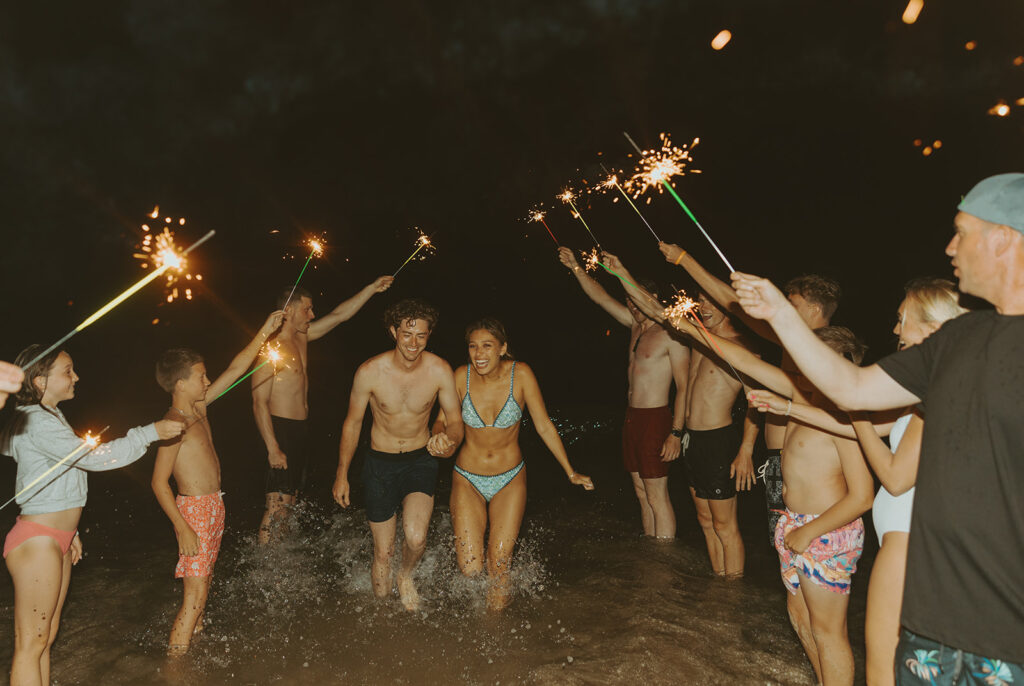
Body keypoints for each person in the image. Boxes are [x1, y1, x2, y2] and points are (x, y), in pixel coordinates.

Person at [731, 174, 1024, 682]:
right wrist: (780, 313)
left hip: (1006, 622)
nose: (950, 247)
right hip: (931, 609)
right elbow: (854, 389)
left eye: (962, 231)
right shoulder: (960, 339)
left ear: (1003, 237)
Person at [749, 278, 967, 686]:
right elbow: (851, 422)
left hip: (912, 543)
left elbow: (893, 478)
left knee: (890, 668)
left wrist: (855, 410)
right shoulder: (927, 388)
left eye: (903, 320)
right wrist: (790, 406)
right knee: (898, 665)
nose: (895, 330)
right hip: (908, 541)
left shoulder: (941, 390)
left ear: (935, 327)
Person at [3, 345, 183, 686]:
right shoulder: (38, 420)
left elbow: (57, 475)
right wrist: (150, 433)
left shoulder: (48, 416)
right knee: (31, 643)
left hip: (56, 538)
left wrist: (71, 531)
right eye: (68, 371)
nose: (77, 377)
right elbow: (94, 458)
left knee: (45, 639)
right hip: (37, 541)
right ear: (40, 381)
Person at [659, 242, 840, 544]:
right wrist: (684, 261)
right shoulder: (790, 341)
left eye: (791, 305)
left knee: (804, 547)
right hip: (776, 462)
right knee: (784, 548)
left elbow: (738, 323)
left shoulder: (826, 351)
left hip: (809, 467)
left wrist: (685, 260)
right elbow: (736, 309)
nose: (782, 311)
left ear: (814, 308)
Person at [601, 253, 759, 574]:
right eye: (701, 302)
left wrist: (745, 450)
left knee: (725, 525)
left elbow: (757, 400)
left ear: (728, 307)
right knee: (705, 520)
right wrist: (621, 273)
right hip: (693, 440)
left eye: (712, 302)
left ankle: (734, 592)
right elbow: (658, 311)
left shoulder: (740, 348)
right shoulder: (699, 340)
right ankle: (719, 582)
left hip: (719, 440)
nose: (705, 308)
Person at [435, 318, 593, 610]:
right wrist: (438, 439)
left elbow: (544, 425)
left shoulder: (521, 375)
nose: (479, 354)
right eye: (473, 347)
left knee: (499, 563)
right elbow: (442, 422)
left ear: (503, 348)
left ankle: (493, 630)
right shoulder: (460, 377)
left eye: (487, 346)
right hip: (467, 477)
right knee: (470, 568)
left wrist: (570, 471)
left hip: (509, 478)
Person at [151, 310, 283, 656]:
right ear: (180, 384)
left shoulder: (200, 408)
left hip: (213, 505)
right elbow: (158, 482)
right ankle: (174, 669)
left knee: (204, 588)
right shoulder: (173, 423)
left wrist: (264, 331)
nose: (207, 381)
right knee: (193, 597)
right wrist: (182, 527)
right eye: (201, 376)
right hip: (193, 511)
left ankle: (193, 651)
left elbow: (236, 370)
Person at [332, 299, 463, 611]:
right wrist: (341, 474)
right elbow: (352, 423)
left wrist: (450, 441)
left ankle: (406, 576)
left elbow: (456, 421)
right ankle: (382, 622)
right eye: (407, 334)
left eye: (421, 336)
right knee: (383, 552)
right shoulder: (369, 372)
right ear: (393, 331)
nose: (413, 343)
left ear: (429, 335)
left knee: (416, 539)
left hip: (420, 459)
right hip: (380, 464)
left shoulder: (439, 370)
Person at [558, 247, 689, 538]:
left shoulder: (672, 335)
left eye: (636, 300)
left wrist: (676, 433)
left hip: (656, 419)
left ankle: (666, 561)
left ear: (651, 300)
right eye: (629, 301)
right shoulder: (635, 327)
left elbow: (684, 388)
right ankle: (652, 555)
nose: (631, 306)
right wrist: (576, 267)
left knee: (657, 496)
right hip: (632, 418)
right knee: (641, 493)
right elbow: (600, 296)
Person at [253, 277, 393, 544]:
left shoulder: (303, 337)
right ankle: (263, 566)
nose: (313, 315)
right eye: (307, 309)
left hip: (299, 431)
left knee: (290, 503)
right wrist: (272, 446)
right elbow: (258, 402)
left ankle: (279, 565)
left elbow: (340, 315)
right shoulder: (270, 349)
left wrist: (371, 288)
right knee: (276, 506)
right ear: (289, 311)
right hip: (278, 430)